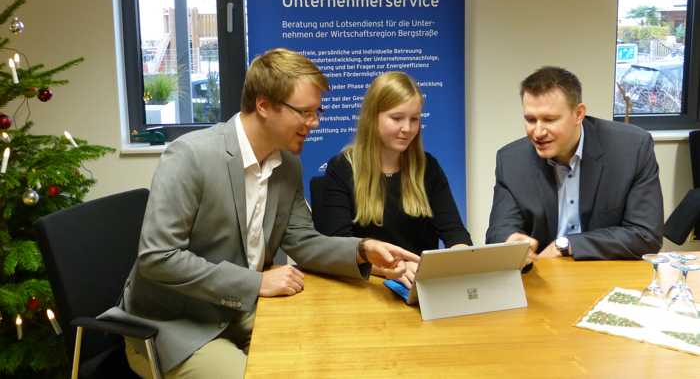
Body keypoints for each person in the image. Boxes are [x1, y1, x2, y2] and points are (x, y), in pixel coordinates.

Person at [104, 49, 419, 379]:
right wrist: (255, 283)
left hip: (243, 310)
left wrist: (362, 249)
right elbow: (158, 257)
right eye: (305, 112)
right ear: (264, 105)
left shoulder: (288, 165)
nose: (315, 123)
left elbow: (303, 241)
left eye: (317, 111)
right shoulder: (190, 157)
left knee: (333, 353)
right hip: (176, 325)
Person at [486, 66, 663, 264]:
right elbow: (499, 230)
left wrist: (565, 244)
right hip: (543, 276)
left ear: (578, 114)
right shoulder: (511, 161)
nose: (538, 132)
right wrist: (510, 240)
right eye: (530, 119)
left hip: (606, 272)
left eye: (549, 119)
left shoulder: (631, 148)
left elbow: (646, 234)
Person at [314, 71, 472, 289]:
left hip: (416, 284)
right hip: (366, 286)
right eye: (397, 118)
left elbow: (454, 231)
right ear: (372, 117)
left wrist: (461, 254)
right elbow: (337, 247)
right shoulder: (342, 168)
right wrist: (394, 268)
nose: (407, 129)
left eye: (414, 119)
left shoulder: (428, 167)